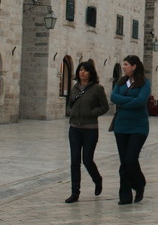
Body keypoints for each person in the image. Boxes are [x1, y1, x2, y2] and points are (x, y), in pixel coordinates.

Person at [64, 61, 109, 203]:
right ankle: (75, 192)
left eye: (85, 70)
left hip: (90, 129)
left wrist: (92, 113)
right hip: (74, 129)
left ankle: (97, 179)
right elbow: (70, 104)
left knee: (87, 160)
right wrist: (70, 112)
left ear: (91, 73)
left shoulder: (97, 89)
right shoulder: (75, 88)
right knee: (74, 160)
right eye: (80, 70)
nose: (82, 72)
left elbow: (105, 107)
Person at [110, 55, 151, 205]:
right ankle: (125, 196)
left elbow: (141, 101)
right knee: (124, 162)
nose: (124, 67)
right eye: (123, 64)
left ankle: (139, 184)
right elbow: (113, 97)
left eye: (126, 64)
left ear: (134, 66)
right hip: (121, 126)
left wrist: (125, 101)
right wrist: (131, 101)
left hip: (138, 126)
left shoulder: (144, 83)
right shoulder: (121, 82)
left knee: (131, 159)